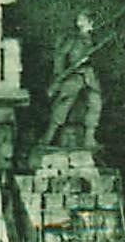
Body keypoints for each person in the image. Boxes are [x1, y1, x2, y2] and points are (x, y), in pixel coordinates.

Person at [43, 13, 103, 149]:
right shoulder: (73, 39)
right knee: (64, 103)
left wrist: (91, 60)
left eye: (83, 20)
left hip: (89, 76)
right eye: (80, 19)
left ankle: (89, 138)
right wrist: (59, 75)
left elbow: (99, 61)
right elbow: (60, 56)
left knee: (95, 103)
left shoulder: (94, 39)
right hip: (74, 75)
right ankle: (49, 136)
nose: (80, 22)